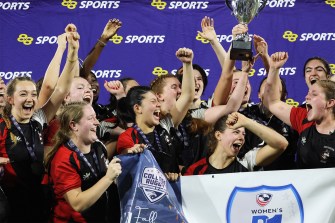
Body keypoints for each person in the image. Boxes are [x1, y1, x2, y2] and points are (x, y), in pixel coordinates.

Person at [0, 25, 79, 222]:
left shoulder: (38, 119)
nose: (30, 98)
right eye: (23, 94)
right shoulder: (1, 125)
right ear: (10, 99)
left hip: (40, 202)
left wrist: (72, 52)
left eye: (33, 94)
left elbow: (60, 89)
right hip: (9, 206)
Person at [117, 47, 195, 181]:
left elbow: (187, 96)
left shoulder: (165, 125)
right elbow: (127, 166)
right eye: (153, 101)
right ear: (138, 108)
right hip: (146, 198)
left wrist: (187, 64)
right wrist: (131, 152)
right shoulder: (128, 137)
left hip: (173, 194)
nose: (159, 104)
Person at [45, 102, 122, 223]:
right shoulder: (63, 159)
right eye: (90, 118)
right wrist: (108, 178)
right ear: (74, 125)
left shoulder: (98, 146)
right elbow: (77, 204)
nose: (97, 122)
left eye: (96, 117)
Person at [264, 51, 335, 168]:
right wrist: (273, 69)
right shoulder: (302, 117)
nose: (307, 97)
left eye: (314, 94)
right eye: (308, 70)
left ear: (330, 102)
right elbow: (272, 102)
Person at [184, 112, 288, 175]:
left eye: (244, 134)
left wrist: (246, 122)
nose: (241, 138)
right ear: (218, 135)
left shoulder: (246, 162)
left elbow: (281, 144)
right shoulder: (196, 170)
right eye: (236, 132)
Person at [80, 18, 122, 122]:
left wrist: (120, 95)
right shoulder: (70, 112)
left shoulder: (105, 112)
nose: (91, 85)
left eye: (94, 80)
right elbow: (84, 70)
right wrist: (103, 39)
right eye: (84, 82)